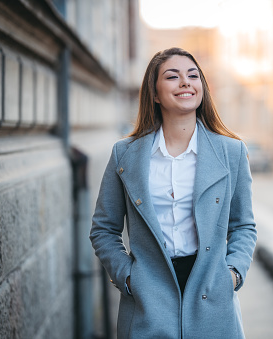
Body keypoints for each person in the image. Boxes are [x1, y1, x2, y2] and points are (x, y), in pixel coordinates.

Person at [90, 47, 257, 339]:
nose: (185, 82)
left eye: (193, 75)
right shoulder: (125, 155)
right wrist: (129, 277)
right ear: (154, 94)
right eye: (172, 76)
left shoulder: (231, 152)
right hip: (148, 302)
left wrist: (231, 275)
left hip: (212, 297)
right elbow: (103, 229)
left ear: (201, 88)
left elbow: (243, 225)